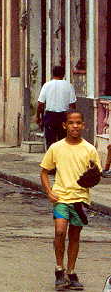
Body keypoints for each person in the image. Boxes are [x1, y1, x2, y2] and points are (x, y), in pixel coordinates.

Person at [39, 111, 101, 291]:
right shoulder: (56, 148)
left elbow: (95, 174)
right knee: (59, 231)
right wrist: (49, 191)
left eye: (78, 123)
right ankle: (59, 270)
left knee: (75, 236)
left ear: (83, 125)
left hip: (80, 200)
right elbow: (44, 171)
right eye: (71, 123)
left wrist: (92, 177)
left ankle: (71, 273)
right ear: (65, 125)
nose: (75, 126)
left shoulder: (89, 149)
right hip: (61, 197)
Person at [37, 66, 77, 150]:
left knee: (50, 142)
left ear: (52, 74)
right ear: (63, 74)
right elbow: (72, 105)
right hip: (64, 117)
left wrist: (38, 117)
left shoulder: (47, 85)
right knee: (63, 141)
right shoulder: (69, 86)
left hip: (50, 117)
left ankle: (51, 160)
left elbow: (40, 103)